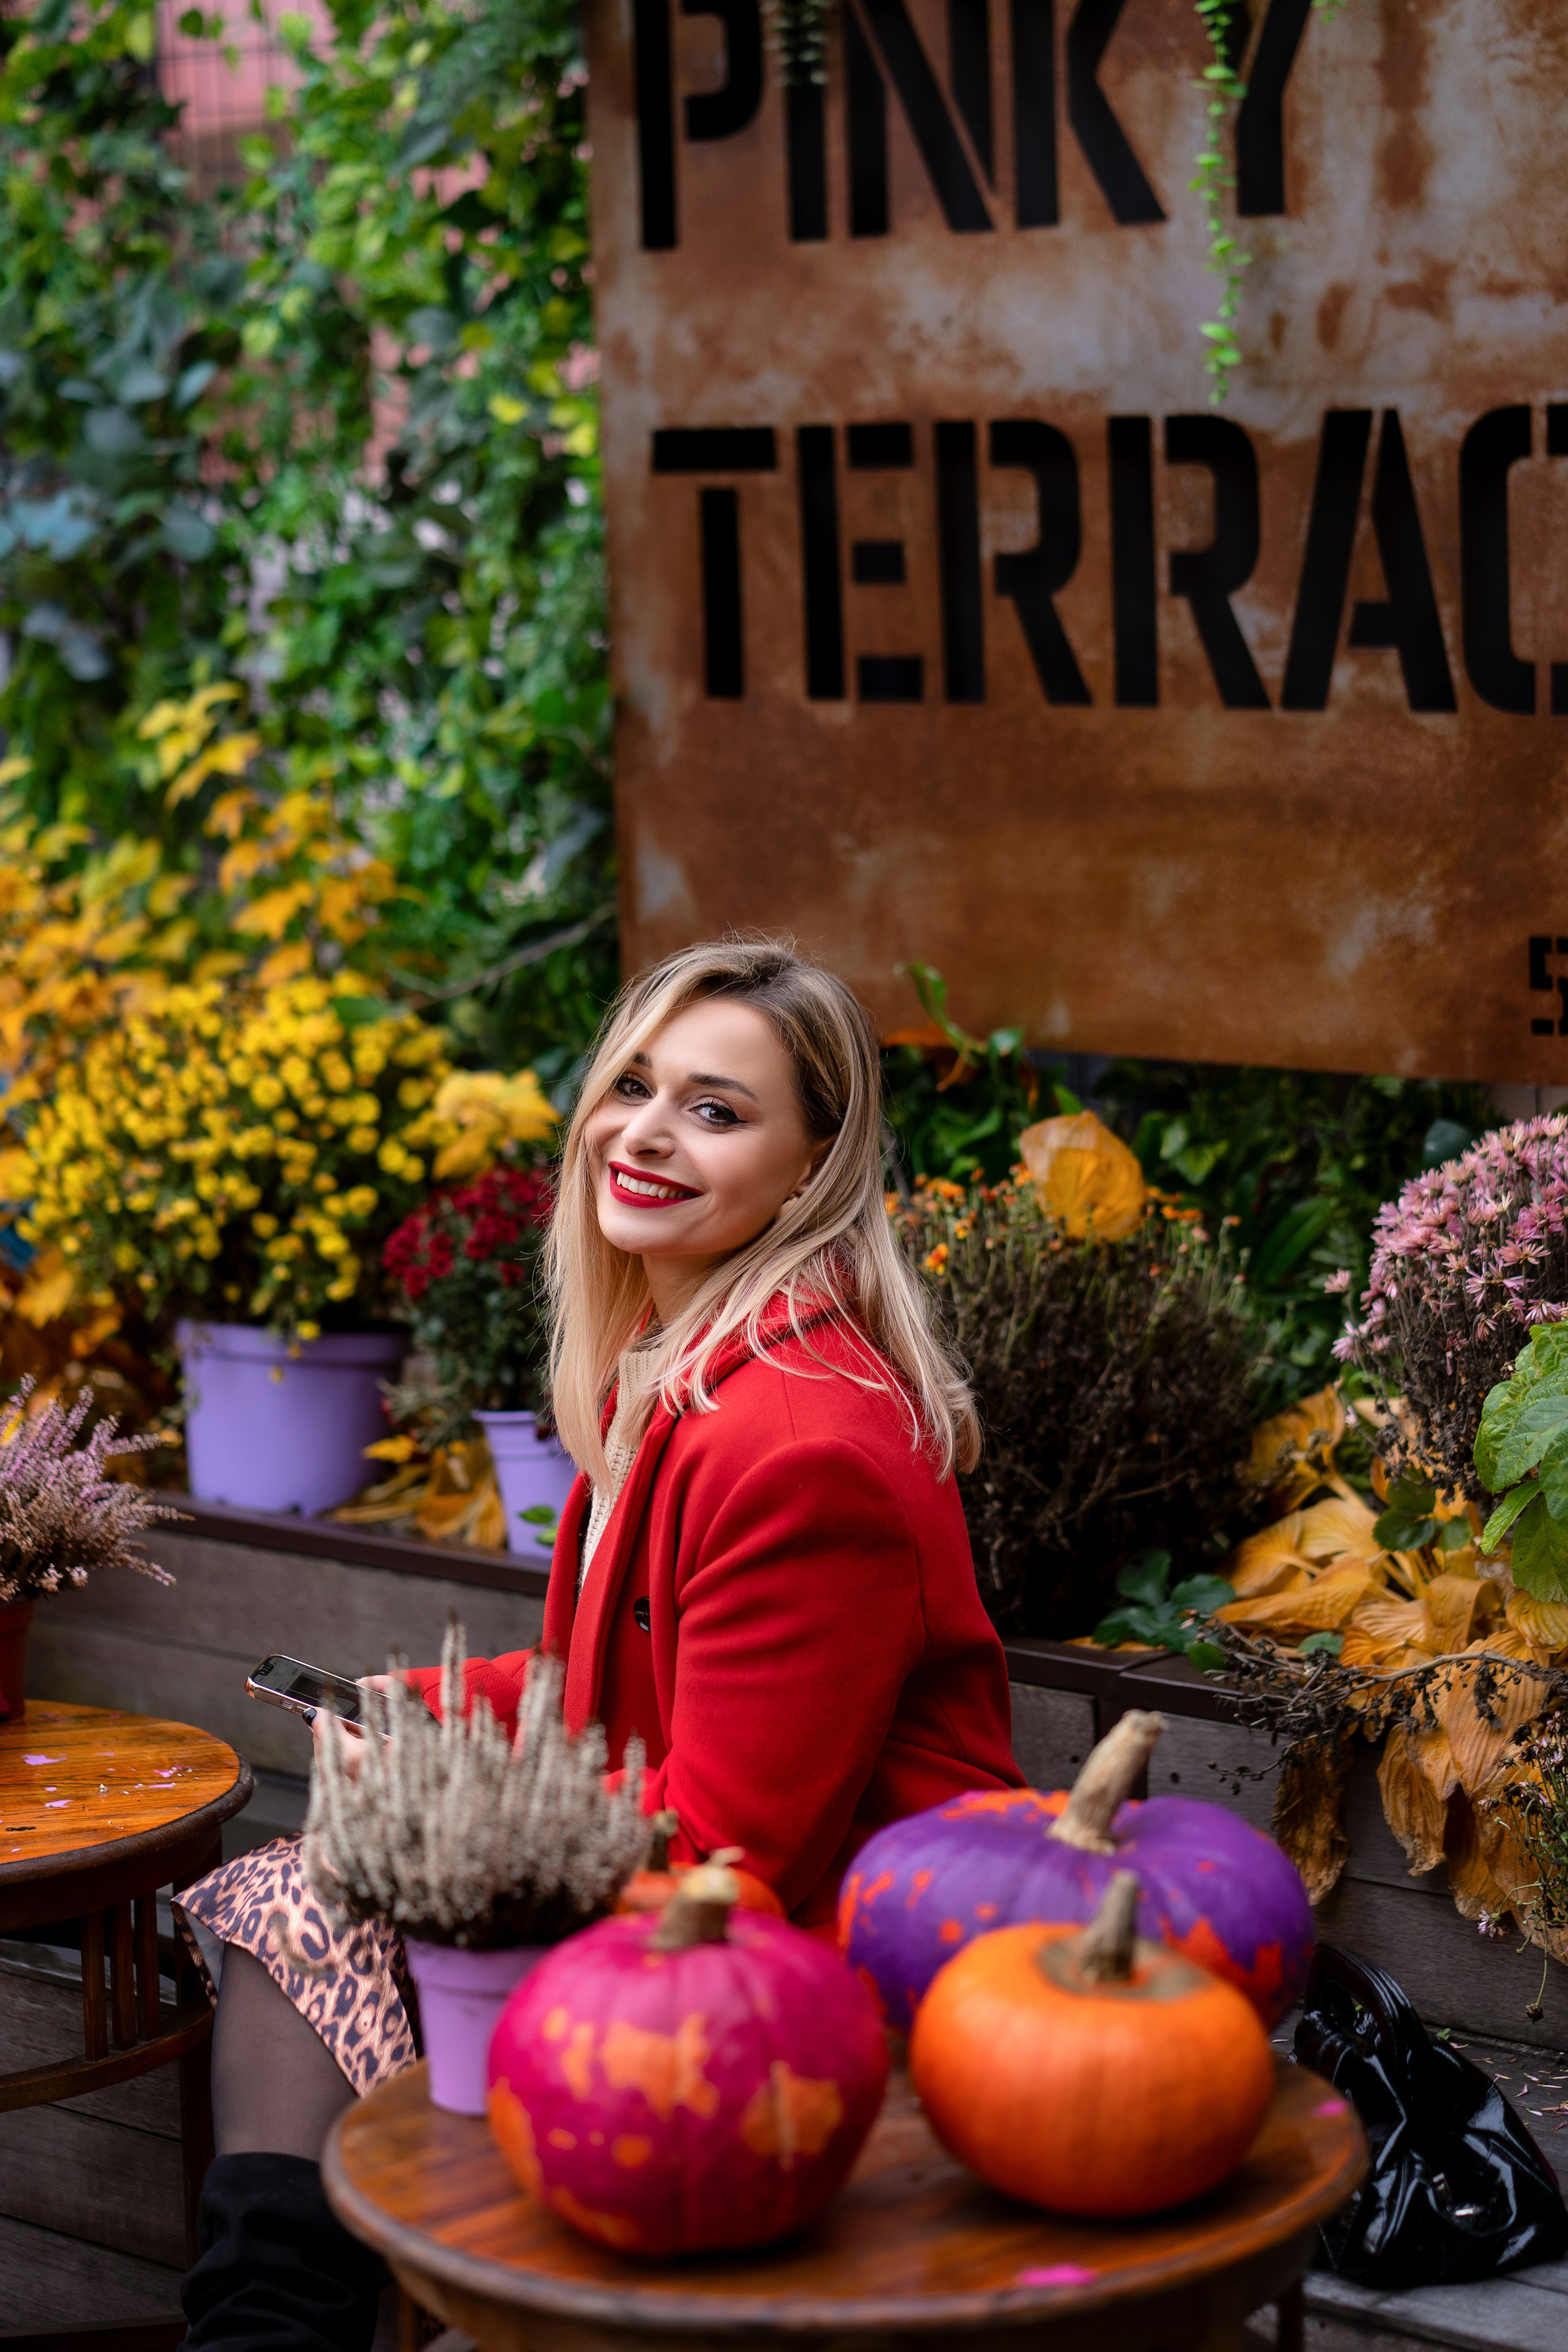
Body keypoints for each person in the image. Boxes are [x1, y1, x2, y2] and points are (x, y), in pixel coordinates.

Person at [178, 937, 1023, 2351]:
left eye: (715, 1108)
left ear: (812, 1172)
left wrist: (448, 1812)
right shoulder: (686, 1367)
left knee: (315, 1905)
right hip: (683, 1891)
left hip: (816, 1982)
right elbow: (605, 1687)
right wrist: (427, 1707)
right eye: (633, 1085)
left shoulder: (801, 1445)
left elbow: (733, 1855)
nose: (643, 1133)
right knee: (290, 1899)